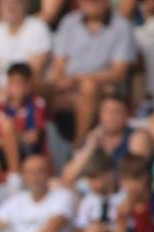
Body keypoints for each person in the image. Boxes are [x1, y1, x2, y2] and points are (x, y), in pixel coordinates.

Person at [48, 0, 135, 147]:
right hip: (68, 86)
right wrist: (59, 81)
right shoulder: (69, 21)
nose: (92, 3)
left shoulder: (122, 26)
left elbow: (118, 73)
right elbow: (58, 65)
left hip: (104, 89)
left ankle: (79, 145)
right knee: (36, 87)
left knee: (89, 87)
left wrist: (77, 79)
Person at [0, 63, 46, 185]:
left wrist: (0, 140)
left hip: (27, 153)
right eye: (11, 83)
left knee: (8, 125)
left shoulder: (35, 105)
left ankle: (14, 177)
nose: (14, 88)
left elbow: (32, 139)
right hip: (0, 152)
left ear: (28, 86)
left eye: (18, 84)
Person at [0, 0, 51, 105]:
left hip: (27, 90)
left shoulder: (38, 28)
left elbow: (33, 72)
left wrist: (8, 92)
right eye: (4, 3)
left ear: (24, 4)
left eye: (14, 2)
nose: (10, 7)